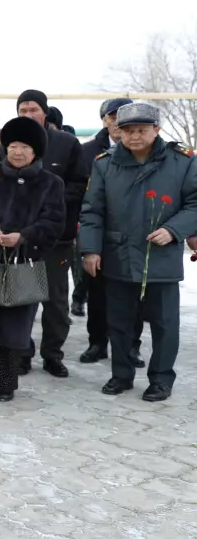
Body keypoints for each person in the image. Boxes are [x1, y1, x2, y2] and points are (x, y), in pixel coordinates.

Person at [79, 103, 197, 401]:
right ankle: (121, 374)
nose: (134, 137)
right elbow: (92, 211)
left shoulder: (181, 161)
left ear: (156, 129)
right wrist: (90, 249)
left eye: (141, 130)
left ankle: (161, 379)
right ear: (117, 131)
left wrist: (173, 230)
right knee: (118, 320)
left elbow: (195, 203)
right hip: (118, 254)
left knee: (165, 323)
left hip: (161, 256)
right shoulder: (105, 164)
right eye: (127, 131)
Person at [0, 117, 65, 401]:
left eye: (25, 147)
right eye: (13, 145)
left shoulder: (50, 183)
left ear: (36, 151)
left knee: (13, 326)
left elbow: (54, 223)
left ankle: (6, 383)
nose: (17, 152)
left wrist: (24, 236)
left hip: (22, 263)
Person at [11, 89, 89, 377]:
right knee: (21, 298)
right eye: (23, 110)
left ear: (45, 112)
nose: (29, 115)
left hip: (57, 238)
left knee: (56, 302)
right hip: (21, 240)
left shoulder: (67, 144)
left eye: (33, 109)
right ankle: (21, 352)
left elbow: (79, 185)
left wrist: (48, 199)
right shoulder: (10, 142)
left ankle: (52, 354)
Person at [77, 98, 145, 366]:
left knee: (134, 294)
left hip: (135, 235)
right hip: (98, 232)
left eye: (123, 116)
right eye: (112, 116)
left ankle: (132, 346)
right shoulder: (88, 151)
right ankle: (97, 342)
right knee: (97, 291)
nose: (117, 121)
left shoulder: (144, 149)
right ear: (103, 120)